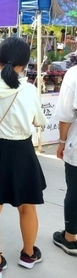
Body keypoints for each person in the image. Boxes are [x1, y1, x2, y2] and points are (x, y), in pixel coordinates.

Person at [0, 37, 47, 278]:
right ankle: (28, 254)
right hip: (21, 152)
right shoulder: (28, 89)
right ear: (25, 64)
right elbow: (38, 122)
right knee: (26, 206)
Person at [52, 64, 77, 256]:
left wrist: (61, 141)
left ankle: (69, 238)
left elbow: (66, 114)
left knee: (75, 191)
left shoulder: (74, 74)